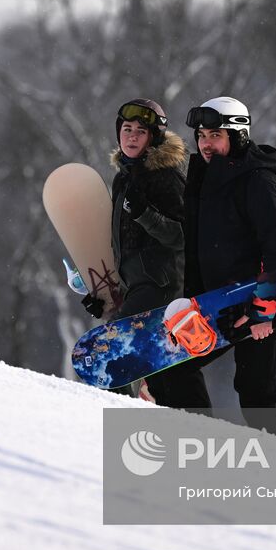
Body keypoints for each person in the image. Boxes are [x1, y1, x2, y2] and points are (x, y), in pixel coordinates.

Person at [149, 96, 276, 437]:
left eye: (215, 136)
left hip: (257, 305)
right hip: (217, 303)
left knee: (255, 392)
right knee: (173, 371)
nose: (206, 144)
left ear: (238, 136)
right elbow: (197, 247)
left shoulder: (258, 181)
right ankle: (197, 445)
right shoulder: (205, 179)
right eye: (202, 136)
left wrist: (265, 309)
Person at [80, 99, 187, 395]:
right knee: (126, 366)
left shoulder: (168, 178)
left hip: (163, 287)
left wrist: (144, 214)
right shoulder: (122, 180)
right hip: (135, 286)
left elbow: (183, 238)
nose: (131, 136)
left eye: (141, 131)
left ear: (154, 137)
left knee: (110, 355)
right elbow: (121, 246)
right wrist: (105, 293)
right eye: (127, 129)